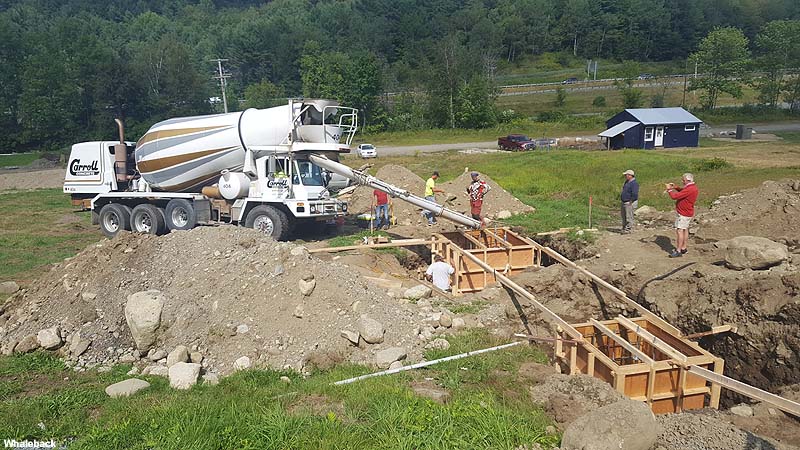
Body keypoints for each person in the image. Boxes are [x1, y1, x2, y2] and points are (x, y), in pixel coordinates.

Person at [666, 173, 698, 258]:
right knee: (685, 229)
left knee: (680, 230)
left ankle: (678, 250)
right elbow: (683, 192)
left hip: (683, 213)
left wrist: (669, 190)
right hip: (688, 212)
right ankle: (684, 247)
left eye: (683, 180)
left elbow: (675, 196)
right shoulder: (692, 187)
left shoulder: (689, 189)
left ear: (688, 180)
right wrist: (676, 187)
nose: (682, 181)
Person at [620, 169, 639, 234]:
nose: (625, 176)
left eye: (626, 175)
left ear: (630, 175)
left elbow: (635, 194)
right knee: (623, 216)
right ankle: (624, 228)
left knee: (629, 216)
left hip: (629, 202)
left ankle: (628, 229)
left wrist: (631, 201)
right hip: (624, 201)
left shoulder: (634, 183)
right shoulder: (627, 182)